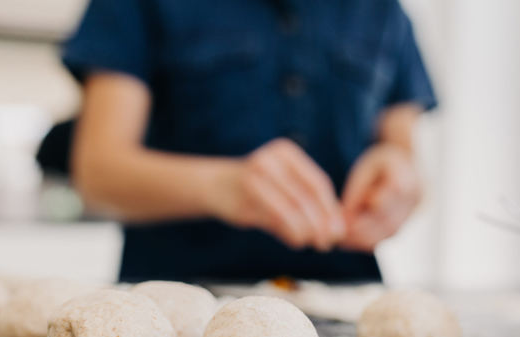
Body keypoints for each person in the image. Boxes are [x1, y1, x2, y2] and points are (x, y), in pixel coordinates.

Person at [62, 0, 436, 282]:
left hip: (347, 304)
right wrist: (219, 186)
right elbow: (98, 173)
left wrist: (397, 179)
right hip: (176, 310)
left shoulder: (384, 10)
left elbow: (401, 152)